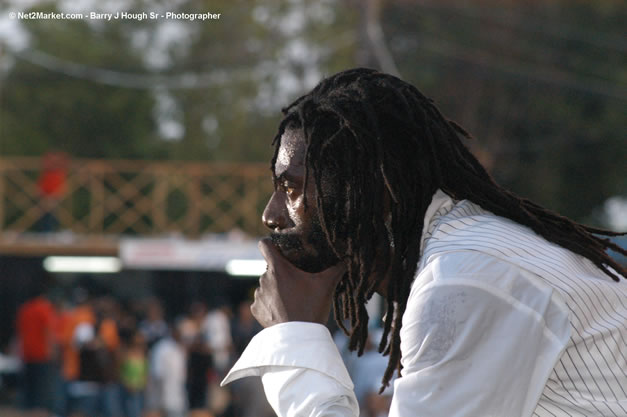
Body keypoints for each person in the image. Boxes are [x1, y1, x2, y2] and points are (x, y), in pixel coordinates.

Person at [221, 68, 627, 416]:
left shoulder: (465, 280)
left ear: (370, 188)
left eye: (291, 189)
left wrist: (295, 338)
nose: (271, 215)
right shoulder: (469, 255)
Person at [16, 279, 58, 417]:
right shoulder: (44, 308)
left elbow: (19, 333)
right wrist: (52, 351)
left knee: (30, 390)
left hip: (27, 354)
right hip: (42, 355)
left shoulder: (24, 309)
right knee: (42, 392)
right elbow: (48, 331)